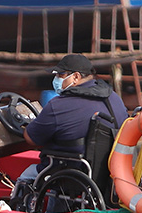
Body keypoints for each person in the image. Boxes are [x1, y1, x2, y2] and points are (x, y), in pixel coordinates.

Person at [11, 54, 129, 201]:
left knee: (27, 175)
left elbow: (31, 139)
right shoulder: (114, 98)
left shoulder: (59, 105)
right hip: (111, 174)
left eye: (61, 75)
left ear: (76, 77)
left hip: (73, 173)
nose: (56, 80)